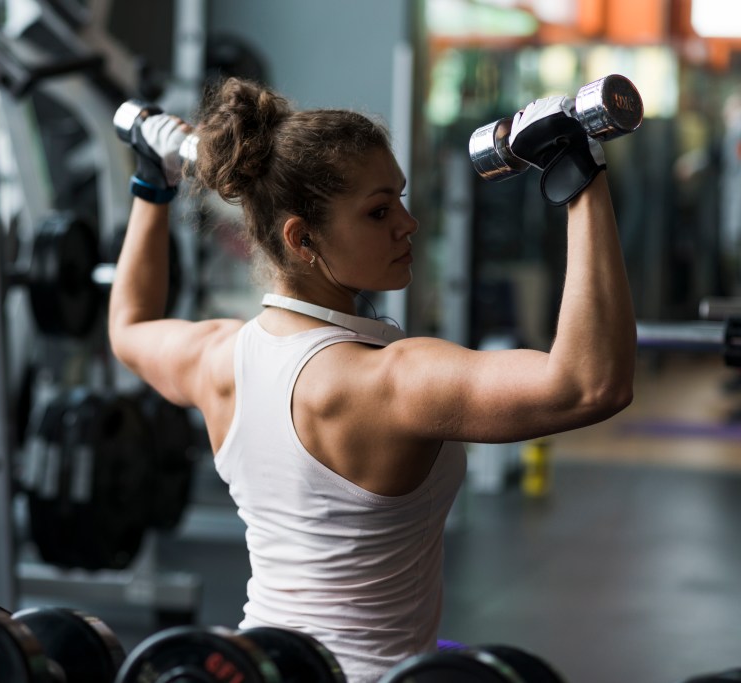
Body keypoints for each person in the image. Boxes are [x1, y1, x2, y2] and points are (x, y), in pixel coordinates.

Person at [107, 77, 636, 683]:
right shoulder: (386, 382)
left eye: (401, 200)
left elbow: (130, 325)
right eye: (379, 211)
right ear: (302, 239)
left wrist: (152, 185)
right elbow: (590, 384)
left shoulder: (217, 357)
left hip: (255, 666)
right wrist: (579, 178)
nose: (409, 224)